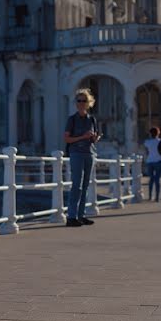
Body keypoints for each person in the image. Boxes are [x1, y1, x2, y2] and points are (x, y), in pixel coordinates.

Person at [63, 88, 101, 227]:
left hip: (89, 152)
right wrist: (82, 137)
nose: (80, 103)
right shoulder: (72, 119)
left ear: (88, 102)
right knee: (76, 185)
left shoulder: (92, 119)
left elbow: (94, 138)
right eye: (78, 100)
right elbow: (67, 139)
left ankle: (81, 215)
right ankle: (71, 216)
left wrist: (95, 138)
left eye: (83, 100)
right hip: (76, 153)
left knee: (85, 186)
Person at [142, 127, 161, 202]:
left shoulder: (147, 142)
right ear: (158, 133)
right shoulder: (160, 141)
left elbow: (146, 151)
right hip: (158, 161)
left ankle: (150, 196)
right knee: (157, 180)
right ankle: (157, 197)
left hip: (150, 161)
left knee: (151, 179)